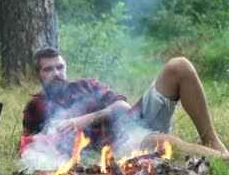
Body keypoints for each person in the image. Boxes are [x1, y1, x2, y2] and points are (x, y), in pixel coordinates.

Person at [20, 47, 228, 163]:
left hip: (134, 120)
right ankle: (223, 160)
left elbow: (122, 107)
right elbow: (31, 147)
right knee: (162, 141)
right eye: (49, 70)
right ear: (37, 74)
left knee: (179, 65)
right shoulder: (36, 106)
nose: (56, 73)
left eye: (60, 67)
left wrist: (83, 120)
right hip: (116, 145)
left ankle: (214, 144)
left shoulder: (86, 85)